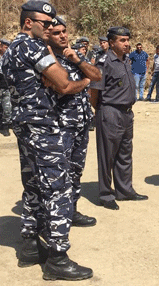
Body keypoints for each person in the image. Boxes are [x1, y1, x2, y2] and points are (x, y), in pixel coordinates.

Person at [3, 0, 92, 280]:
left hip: (23, 123)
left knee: (31, 183)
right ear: (29, 23)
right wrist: (84, 84)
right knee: (58, 188)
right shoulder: (32, 46)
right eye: (46, 23)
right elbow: (64, 83)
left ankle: (30, 245)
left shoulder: (10, 50)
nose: (51, 28)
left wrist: (53, 78)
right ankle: (58, 257)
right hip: (42, 124)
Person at [48, 16, 102, 227]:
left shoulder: (76, 55)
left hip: (81, 124)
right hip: (60, 125)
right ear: (48, 36)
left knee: (76, 170)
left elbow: (97, 75)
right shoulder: (48, 59)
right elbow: (63, 87)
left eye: (64, 31)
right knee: (59, 172)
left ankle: (72, 210)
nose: (62, 35)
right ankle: (56, 216)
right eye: (56, 32)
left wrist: (78, 61)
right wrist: (84, 81)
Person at [89, 26, 148, 211]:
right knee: (107, 155)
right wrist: (102, 111)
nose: (127, 43)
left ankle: (125, 190)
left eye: (128, 40)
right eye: (122, 41)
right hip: (110, 111)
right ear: (112, 42)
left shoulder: (126, 61)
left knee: (124, 153)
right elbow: (94, 92)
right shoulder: (104, 61)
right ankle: (106, 194)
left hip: (126, 113)